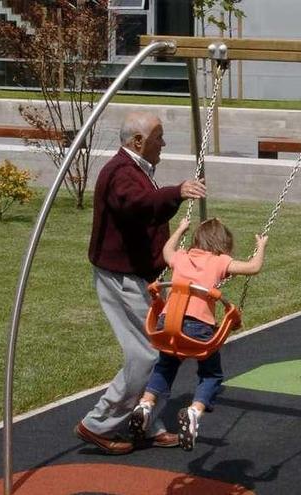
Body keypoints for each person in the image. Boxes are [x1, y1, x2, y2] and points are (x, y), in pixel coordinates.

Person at [74, 112, 207, 455]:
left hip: (137, 276)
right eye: (158, 137)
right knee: (145, 354)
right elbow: (136, 205)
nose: (163, 143)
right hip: (121, 278)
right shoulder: (120, 173)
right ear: (137, 142)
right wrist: (176, 193)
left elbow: (145, 213)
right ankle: (97, 423)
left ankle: (145, 422)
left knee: (159, 349)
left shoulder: (136, 169)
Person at [129, 217, 268, 451]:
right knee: (211, 374)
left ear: (195, 239)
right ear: (222, 244)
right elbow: (253, 267)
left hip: (166, 325)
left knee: (166, 365)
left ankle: (145, 405)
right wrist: (261, 246)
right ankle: (194, 411)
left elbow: (166, 252)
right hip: (198, 329)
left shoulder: (181, 256)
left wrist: (180, 229)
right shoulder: (218, 261)